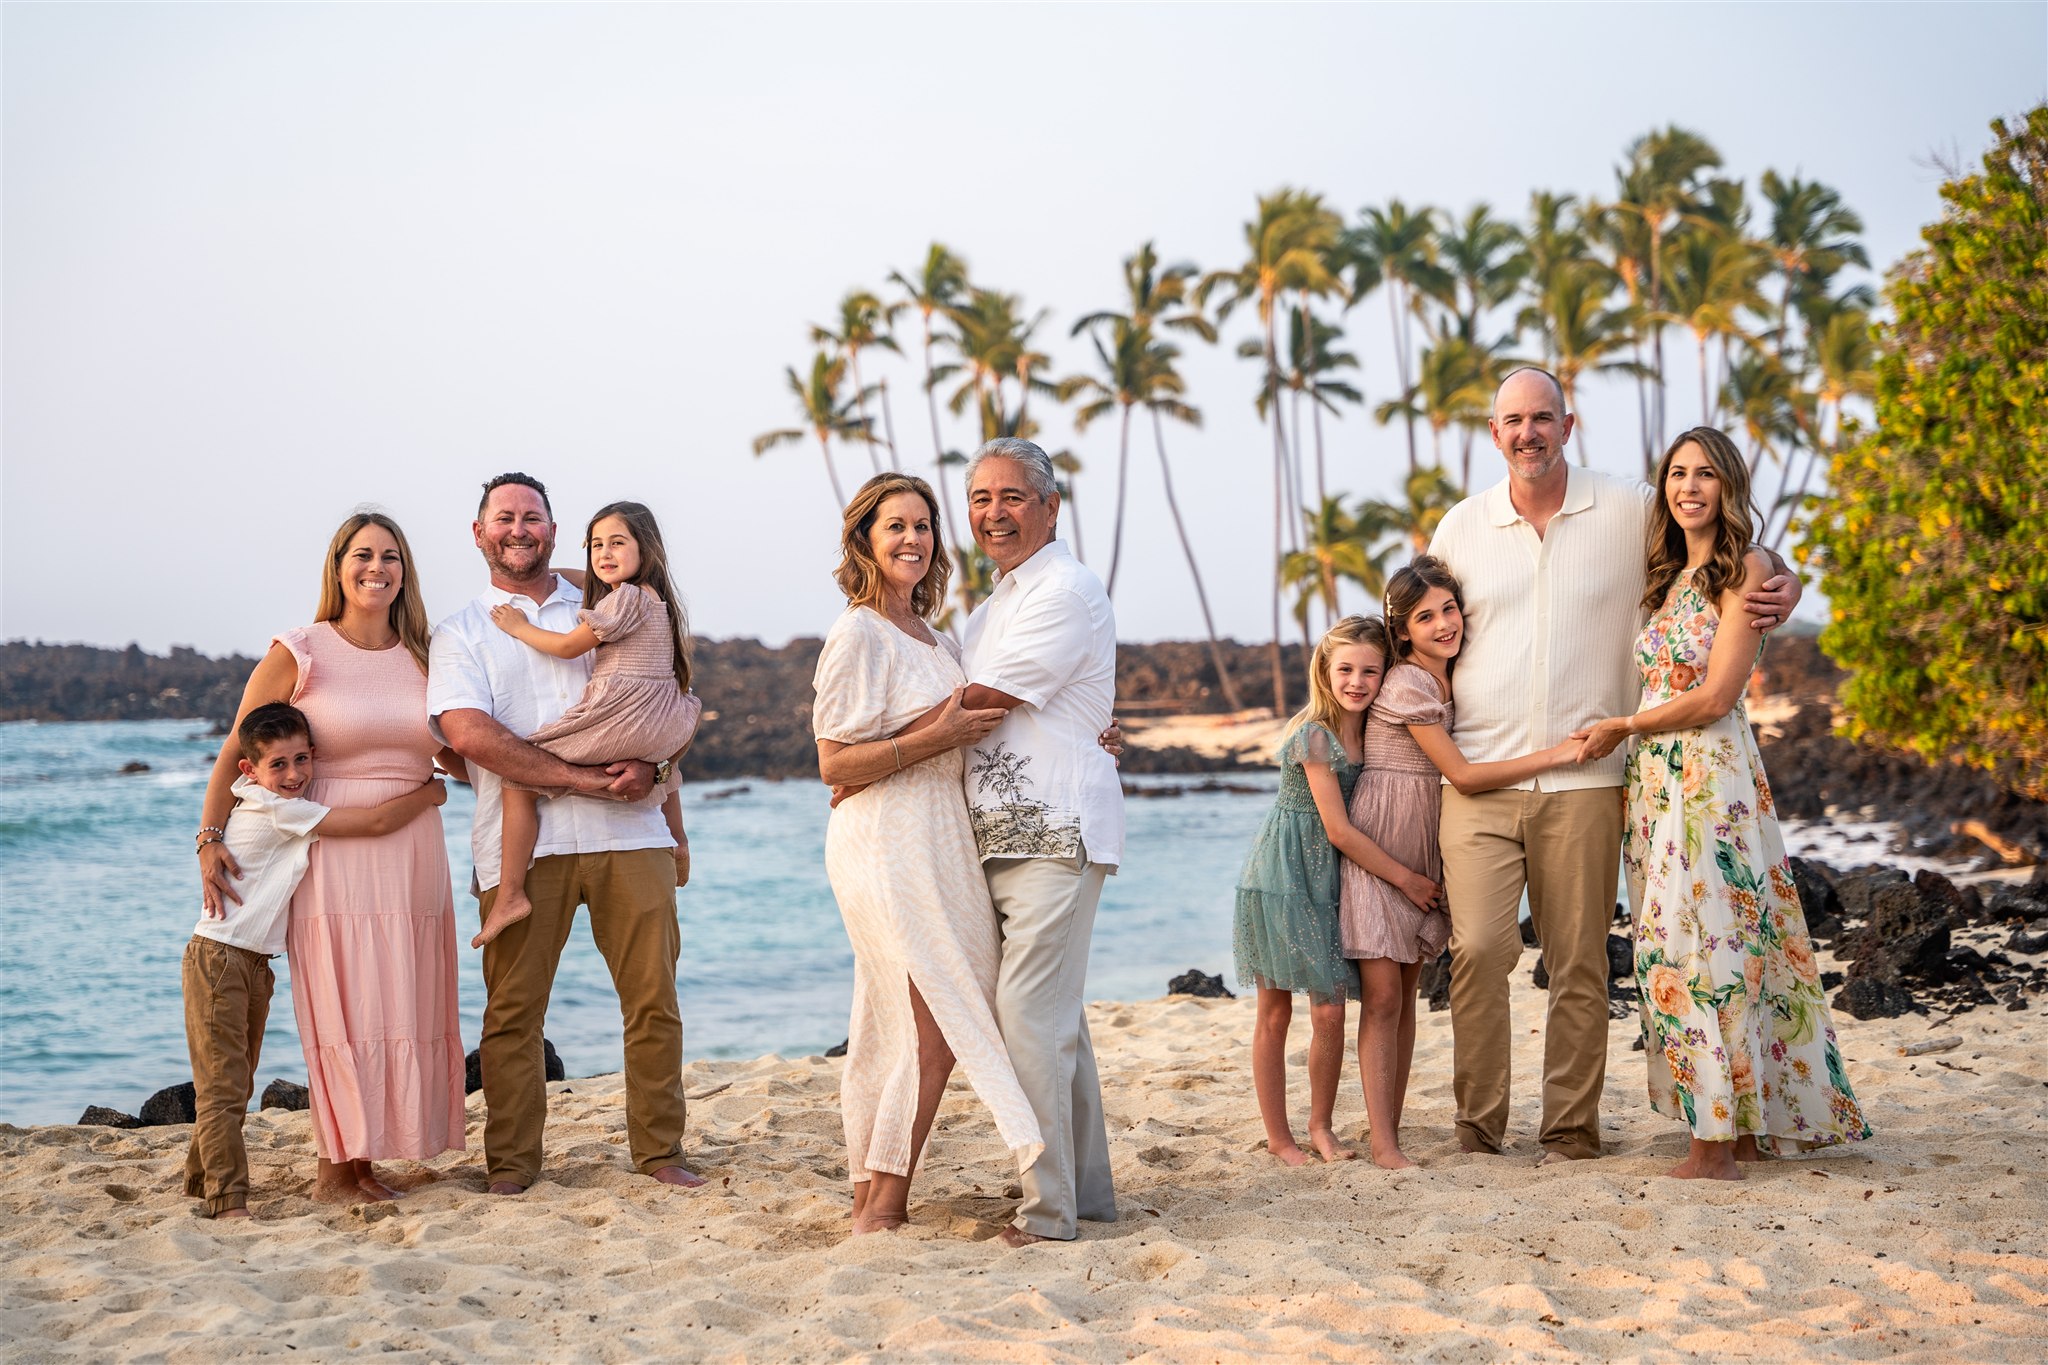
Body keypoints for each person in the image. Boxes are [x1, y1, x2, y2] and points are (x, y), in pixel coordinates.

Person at [1427, 367, 1802, 1165]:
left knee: (1581, 966)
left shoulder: (1630, 508)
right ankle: (1477, 1127)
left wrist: (1785, 579)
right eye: (1512, 421)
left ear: (1569, 425)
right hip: (1484, 777)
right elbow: (1423, 635)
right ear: (1495, 435)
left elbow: (1721, 549)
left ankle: (1569, 1132)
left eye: (1542, 417)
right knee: (1479, 953)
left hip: (1594, 782)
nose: (1527, 432)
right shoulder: (1460, 526)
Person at [1573, 427, 1872, 1179]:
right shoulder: (1673, 575)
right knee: (1716, 937)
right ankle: (1736, 1129)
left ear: (1729, 485)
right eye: (1677, 473)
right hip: (1658, 783)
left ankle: (1714, 1146)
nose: (1689, 487)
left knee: (1695, 944)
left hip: (1707, 778)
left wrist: (1623, 724)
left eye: (1705, 474)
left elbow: (1714, 695)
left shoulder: (1748, 568)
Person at [429, 473, 701, 1195]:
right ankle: (513, 1165)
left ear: (553, 531)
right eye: (505, 517)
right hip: (522, 843)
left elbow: (663, 699)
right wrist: (579, 778)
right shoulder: (460, 630)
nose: (519, 528)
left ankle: (660, 1150)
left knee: (653, 1000)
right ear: (479, 531)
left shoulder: (607, 604)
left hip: (630, 831)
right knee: (512, 1012)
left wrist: (662, 765)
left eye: (533, 518)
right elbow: (468, 734)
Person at [197, 512, 467, 1204]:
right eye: (362, 554)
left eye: (390, 556)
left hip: (413, 855)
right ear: (338, 565)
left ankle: (367, 1160)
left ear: (406, 570)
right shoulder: (302, 648)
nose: (376, 568)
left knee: (401, 1001)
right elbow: (237, 747)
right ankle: (333, 1168)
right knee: (346, 1004)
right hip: (333, 849)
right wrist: (209, 836)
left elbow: (453, 745)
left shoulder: (425, 653)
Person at [812, 473, 1047, 1235]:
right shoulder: (857, 632)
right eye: (895, 526)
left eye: (922, 525)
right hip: (885, 835)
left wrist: (1079, 737)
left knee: (899, 1020)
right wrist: (931, 739)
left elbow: (976, 715)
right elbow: (834, 764)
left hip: (943, 831)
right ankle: (881, 1206)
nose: (912, 538)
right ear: (865, 541)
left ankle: (867, 1190)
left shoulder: (939, 635)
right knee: (931, 1024)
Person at [1340, 559, 1580, 1169]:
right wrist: (1555, 756)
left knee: (1407, 993)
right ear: (1403, 633)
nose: (1444, 623)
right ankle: (1382, 1142)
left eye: (1450, 609)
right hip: (1384, 843)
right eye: (1425, 617)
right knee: (1384, 997)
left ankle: (1385, 1133)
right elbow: (1465, 775)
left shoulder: (1450, 677)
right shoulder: (1409, 685)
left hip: (1427, 838)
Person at [184, 703, 447, 1218]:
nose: (294, 774)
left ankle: (199, 1181)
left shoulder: (267, 802)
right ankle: (226, 1201)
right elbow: (372, 822)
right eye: (278, 764)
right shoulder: (276, 808)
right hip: (219, 960)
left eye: (302, 760)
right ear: (249, 770)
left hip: (252, 963)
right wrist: (430, 794)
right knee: (223, 1085)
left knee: (234, 1078)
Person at [955, 437, 1123, 1246]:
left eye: (1013, 496)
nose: (995, 513)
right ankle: (1088, 1194)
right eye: (982, 498)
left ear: (1051, 507)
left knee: (1028, 1015)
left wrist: (869, 747)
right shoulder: (988, 609)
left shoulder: (1066, 588)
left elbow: (980, 700)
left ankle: (1048, 1213)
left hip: (1056, 829)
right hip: (1001, 835)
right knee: (1056, 1019)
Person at [1234, 615, 1438, 1167]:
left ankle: (1320, 1126)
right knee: (1275, 1011)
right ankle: (1279, 1138)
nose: (1356, 681)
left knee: (1329, 1012)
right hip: (1286, 876)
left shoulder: (1375, 728)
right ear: (1324, 670)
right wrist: (1406, 879)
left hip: (1338, 880)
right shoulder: (1314, 734)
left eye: (1370, 671)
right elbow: (1339, 829)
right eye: (1345, 669)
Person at [474, 500, 702, 949]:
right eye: (596, 545)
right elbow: (591, 579)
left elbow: (565, 648)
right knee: (664, 769)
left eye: (617, 543)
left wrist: (519, 625)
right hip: (662, 717)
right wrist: (560, 573)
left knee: (517, 773)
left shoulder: (625, 599)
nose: (604, 553)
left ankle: (511, 894)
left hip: (621, 714)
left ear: (646, 549)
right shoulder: (655, 598)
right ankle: (677, 840)